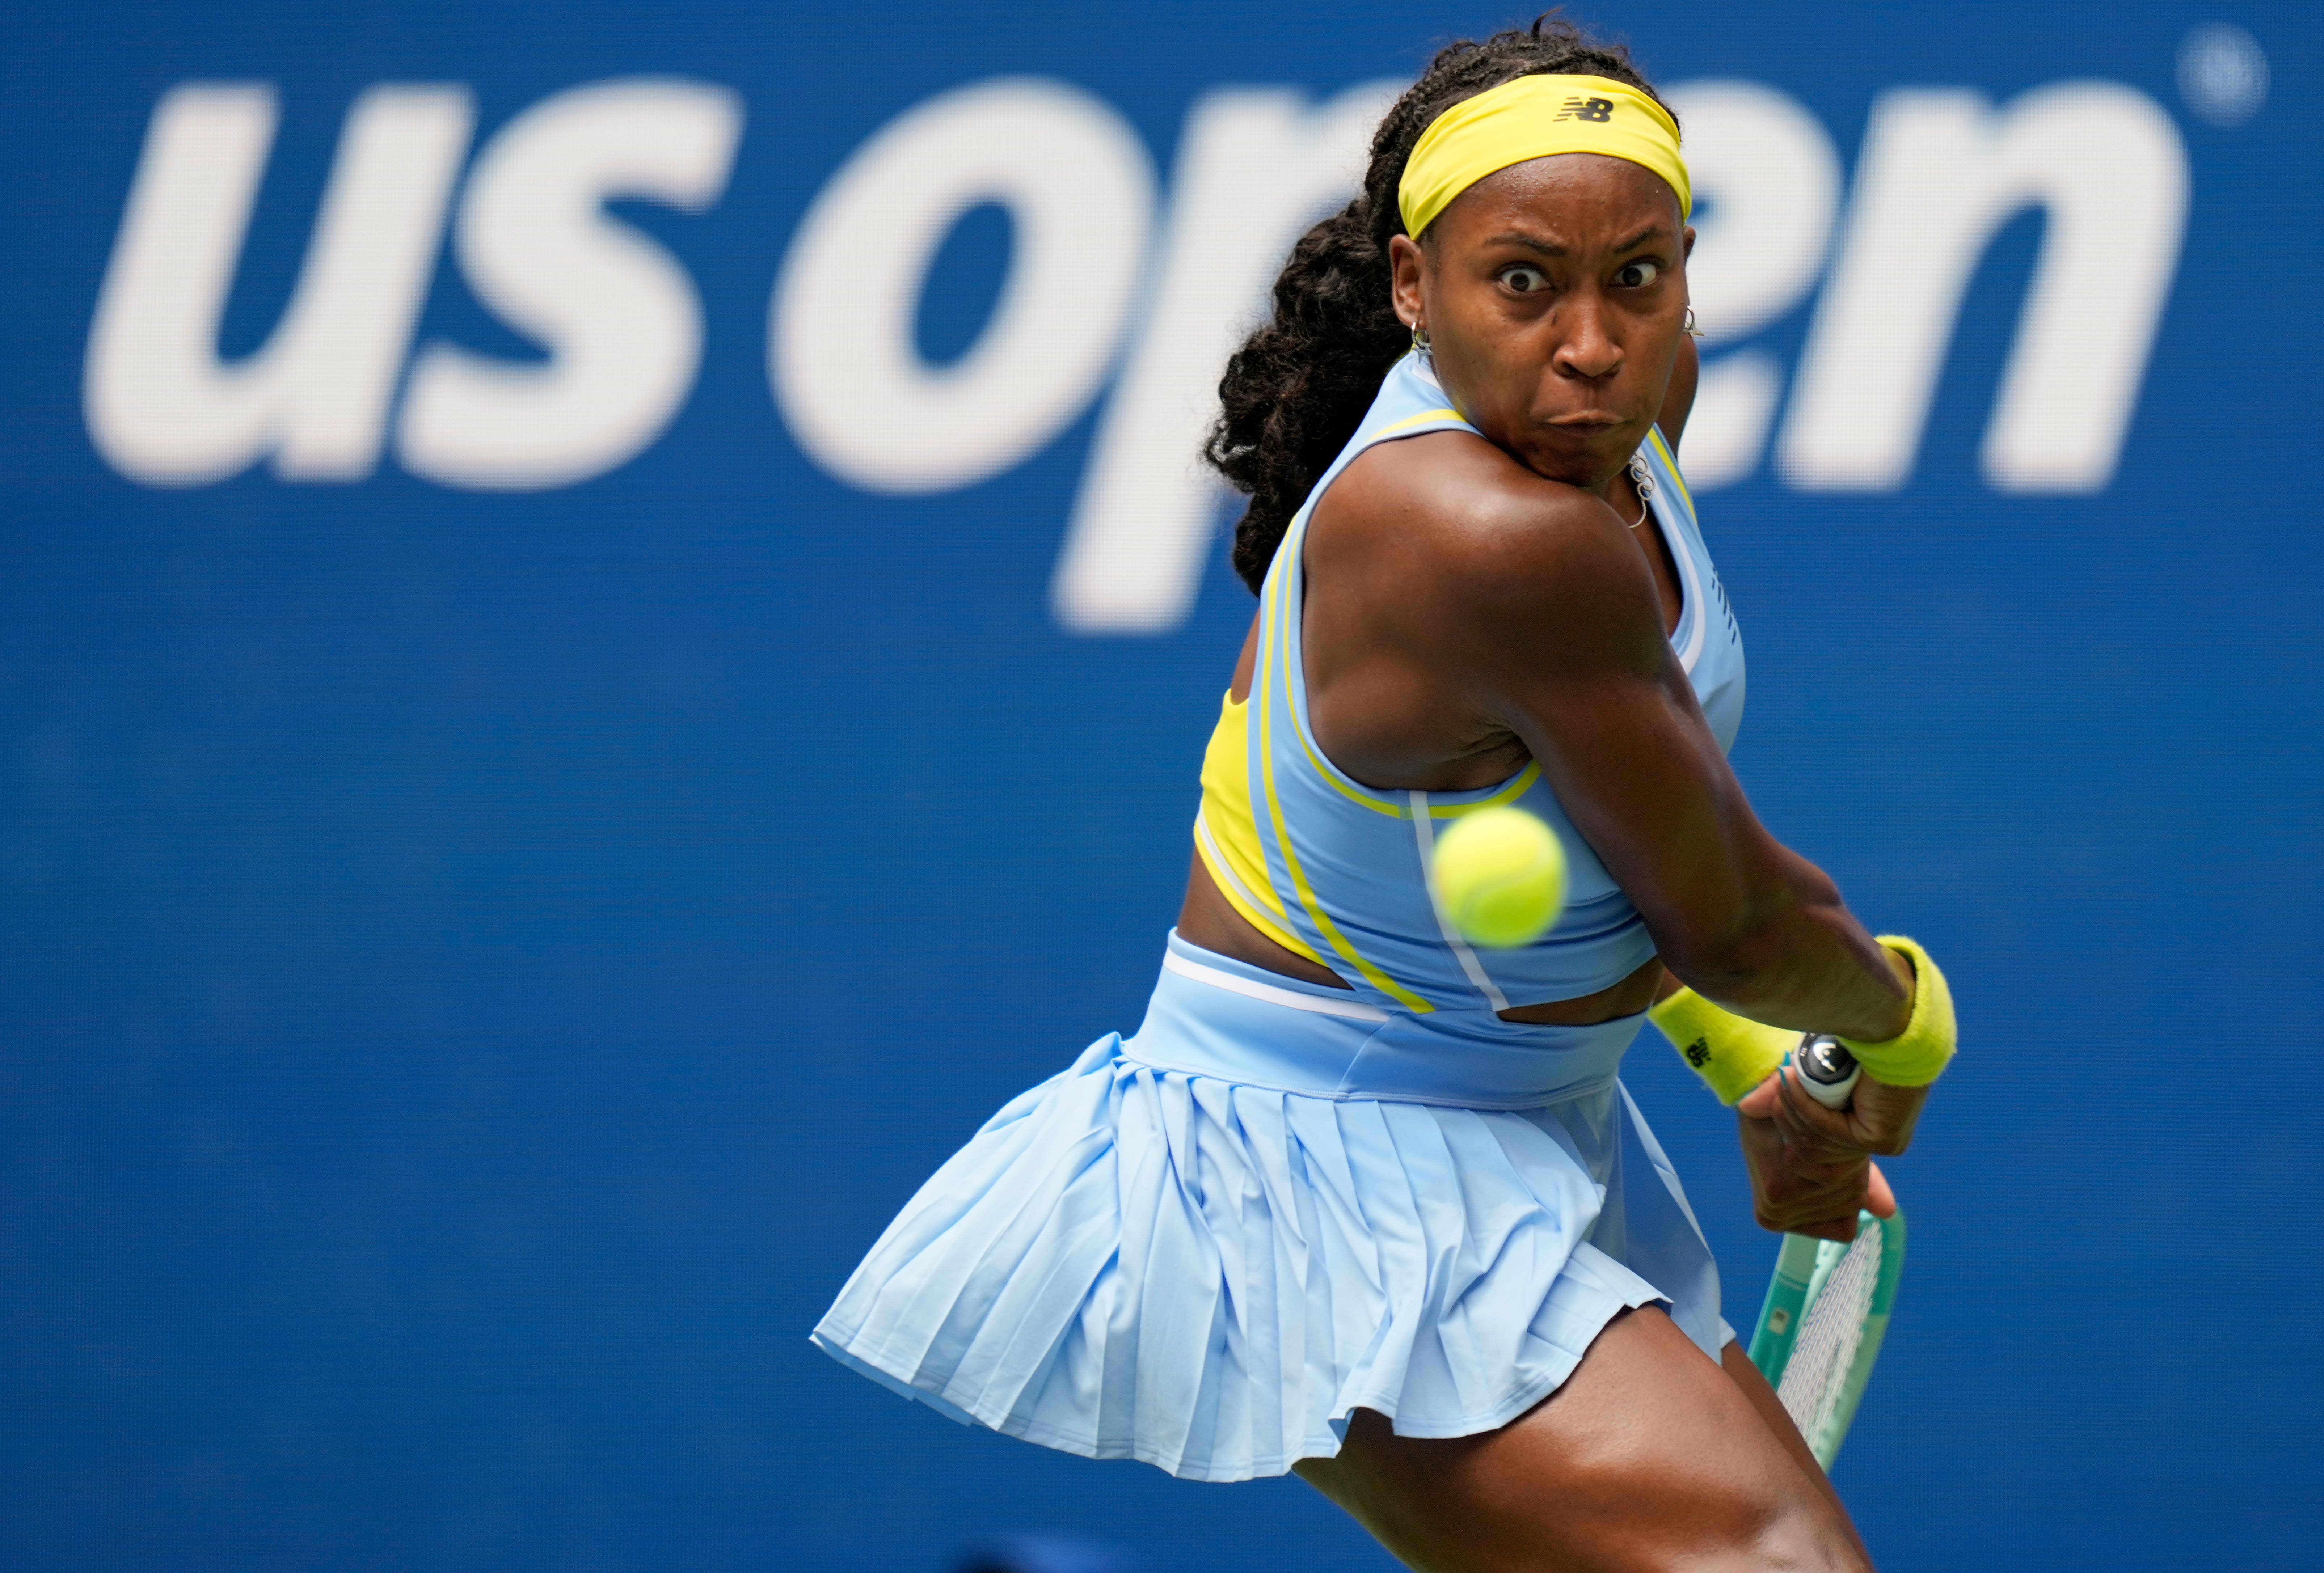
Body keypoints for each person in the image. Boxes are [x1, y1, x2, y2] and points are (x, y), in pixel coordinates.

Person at [815, 19, 1958, 1570]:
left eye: (1640, 275)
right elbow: (1741, 920)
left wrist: (1758, 1062)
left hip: (1522, 1125)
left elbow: (1619, 847)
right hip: (1320, 1186)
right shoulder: (1480, 535)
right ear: (1416, 286)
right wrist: (1894, 1017)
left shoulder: (1622, 417)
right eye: (1523, 280)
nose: (1590, 340)